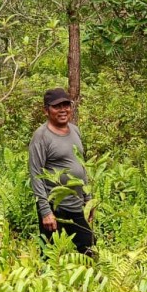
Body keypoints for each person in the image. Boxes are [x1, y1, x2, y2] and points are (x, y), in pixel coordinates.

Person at [28, 88, 95, 256]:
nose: (63, 110)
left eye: (66, 105)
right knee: (50, 255)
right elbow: (36, 175)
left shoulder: (75, 130)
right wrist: (45, 211)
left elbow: (81, 166)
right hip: (54, 206)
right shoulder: (41, 136)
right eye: (57, 106)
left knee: (89, 249)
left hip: (76, 204)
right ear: (46, 110)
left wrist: (88, 198)